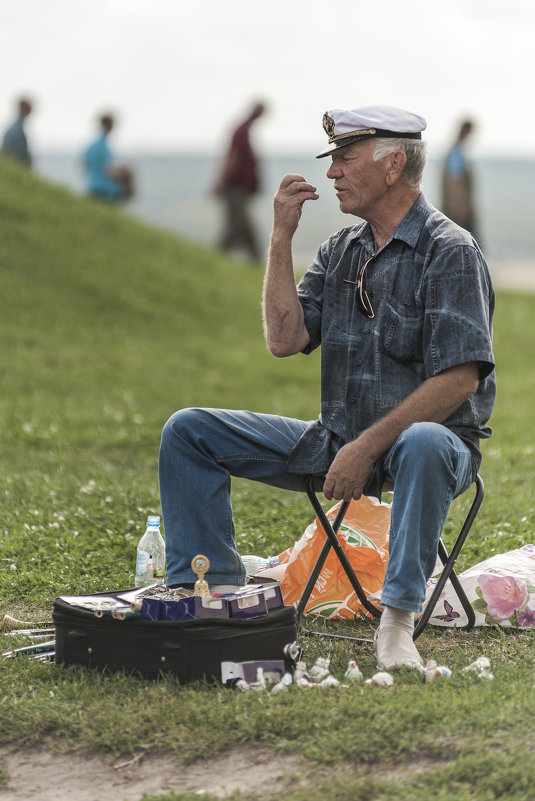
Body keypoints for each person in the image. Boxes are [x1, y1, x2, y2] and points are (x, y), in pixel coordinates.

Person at [159, 105, 496, 670]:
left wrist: (366, 448)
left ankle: (396, 622)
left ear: (393, 167)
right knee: (189, 431)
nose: (333, 171)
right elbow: (285, 339)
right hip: (338, 442)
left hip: (432, 450)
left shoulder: (451, 250)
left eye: (345, 157)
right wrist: (280, 238)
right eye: (333, 159)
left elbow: (460, 379)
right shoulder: (342, 250)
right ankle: (209, 597)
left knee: (422, 441)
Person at [213, 101, 266, 262]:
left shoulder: (245, 130)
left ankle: (256, 260)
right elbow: (233, 159)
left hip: (242, 188)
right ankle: (218, 257)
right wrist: (221, 181)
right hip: (236, 188)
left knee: (242, 225)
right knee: (237, 226)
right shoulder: (241, 131)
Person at [441, 119, 479, 239]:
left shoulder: (459, 151)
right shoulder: (456, 153)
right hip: (458, 211)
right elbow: (454, 184)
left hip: (460, 209)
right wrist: (459, 211)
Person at [83, 113, 134, 201]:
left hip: (92, 183)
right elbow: (107, 169)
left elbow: (85, 164)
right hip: (103, 186)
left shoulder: (92, 146)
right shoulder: (103, 146)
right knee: (127, 175)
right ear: (110, 125)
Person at [2, 97, 33, 166]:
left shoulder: (12, 127)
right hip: (14, 162)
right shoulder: (18, 129)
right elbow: (22, 152)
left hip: (9, 160)